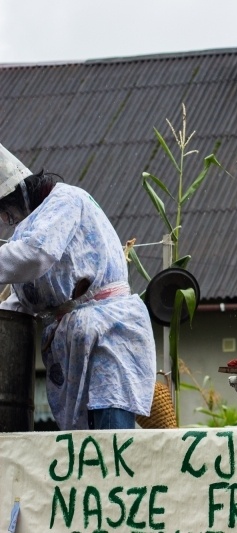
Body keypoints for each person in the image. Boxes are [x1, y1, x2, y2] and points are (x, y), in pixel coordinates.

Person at [0, 142, 156, 430]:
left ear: (20, 192)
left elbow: (36, 255)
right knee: (83, 452)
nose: (6, 220)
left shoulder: (66, 201)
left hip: (108, 332)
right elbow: (21, 300)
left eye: (5, 210)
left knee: (111, 444)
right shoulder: (27, 229)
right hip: (73, 343)